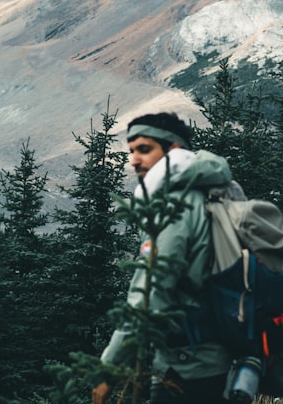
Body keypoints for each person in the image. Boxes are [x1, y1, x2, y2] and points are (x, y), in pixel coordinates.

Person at [92, 112, 236, 404]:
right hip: (220, 357)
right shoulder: (212, 192)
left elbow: (150, 293)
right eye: (131, 151)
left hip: (187, 368)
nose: (133, 160)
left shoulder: (174, 207)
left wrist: (109, 369)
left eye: (144, 149)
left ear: (173, 149)